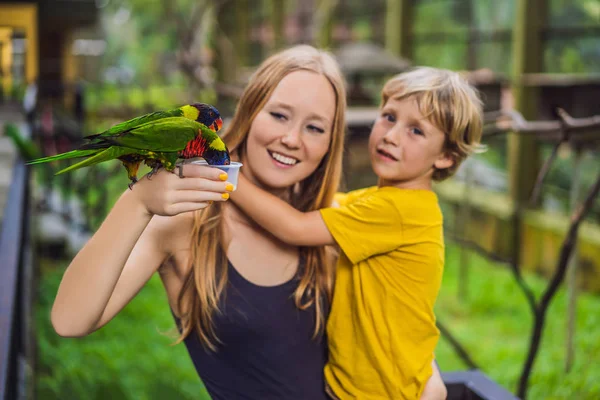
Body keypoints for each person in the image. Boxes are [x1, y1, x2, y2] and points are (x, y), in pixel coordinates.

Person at [50, 45, 446, 399]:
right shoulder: (188, 222)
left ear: (330, 144)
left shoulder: (329, 224)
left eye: (314, 127)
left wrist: (429, 377)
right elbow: (70, 320)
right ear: (250, 113)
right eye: (278, 115)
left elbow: (394, 320)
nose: (292, 138)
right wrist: (135, 203)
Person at [231, 66, 484, 399]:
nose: (392, 136)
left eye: (416, 131)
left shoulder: (398, 211)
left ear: (445, 157)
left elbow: (294, 227)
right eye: (389, 117)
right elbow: (320, 205)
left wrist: (226, 176)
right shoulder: (381, 201)